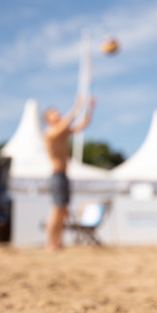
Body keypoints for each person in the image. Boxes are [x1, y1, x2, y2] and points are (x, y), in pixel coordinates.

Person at [43, 95, 95, 251]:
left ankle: (57, 242)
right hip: (57, 175)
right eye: (54, 113)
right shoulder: (50, 133)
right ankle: (50, 243)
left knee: (63, 210)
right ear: (47, 119)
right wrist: (76, 108)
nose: (58, 115)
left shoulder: (62, 132)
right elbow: (66, 123)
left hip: (63, 176)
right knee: (56, 209)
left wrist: (90, 108)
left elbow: (82, 125)